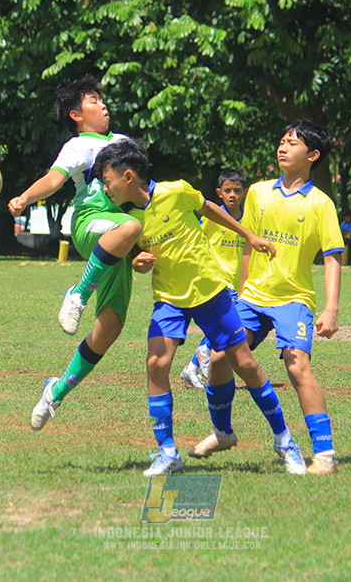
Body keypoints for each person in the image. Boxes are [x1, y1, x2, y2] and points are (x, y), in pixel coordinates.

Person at [94, 139, 309, 477]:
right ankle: (167, 452)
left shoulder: (175, 191)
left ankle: (285, 441)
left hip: (210, 292)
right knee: (156, 363)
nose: (105, 188)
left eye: (107, 181)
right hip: (169, 299)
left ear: (128, 176)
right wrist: (137, 258)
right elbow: (130, 248)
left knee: (247, 366)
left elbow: (208, 207)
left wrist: (249, 236)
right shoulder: (123, 216)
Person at [198, 119, 344, 475]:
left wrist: (331, 308)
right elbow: (250, 246)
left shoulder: (321, 204)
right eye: (281, 141)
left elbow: (332, 256)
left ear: (312, 155)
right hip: (252, 297)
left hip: (294, 299)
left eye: (292, 143)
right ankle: (223, 432)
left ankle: (324, 455)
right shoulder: (259, 192)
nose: (282, 147)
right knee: (218, 358)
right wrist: (242, 292)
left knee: (297, 366)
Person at [7, 76, 141, 430]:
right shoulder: (78, 145)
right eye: (93, 100)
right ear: (76, 114)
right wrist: (24, 197)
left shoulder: (125, 143)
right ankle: (78, 292)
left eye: (101, 98)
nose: (103, 104)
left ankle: (57, 390)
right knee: (128, 227)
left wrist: (140, 251)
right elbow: (54, 180)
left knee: (109, 329)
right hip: (91, 223)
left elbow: (140, 195)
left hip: (121, 241)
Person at [179, 169, 248, 391]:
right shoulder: (212, 216)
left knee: (226, 326)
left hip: (238, 282)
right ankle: (204, 356)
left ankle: (191, 367)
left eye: (237, 191)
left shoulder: (249, 218)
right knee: (230, 324)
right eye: (227, 190)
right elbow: (196, 239)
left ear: (244, 192)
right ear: (219, 192)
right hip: (216, 281)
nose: (232, 195)